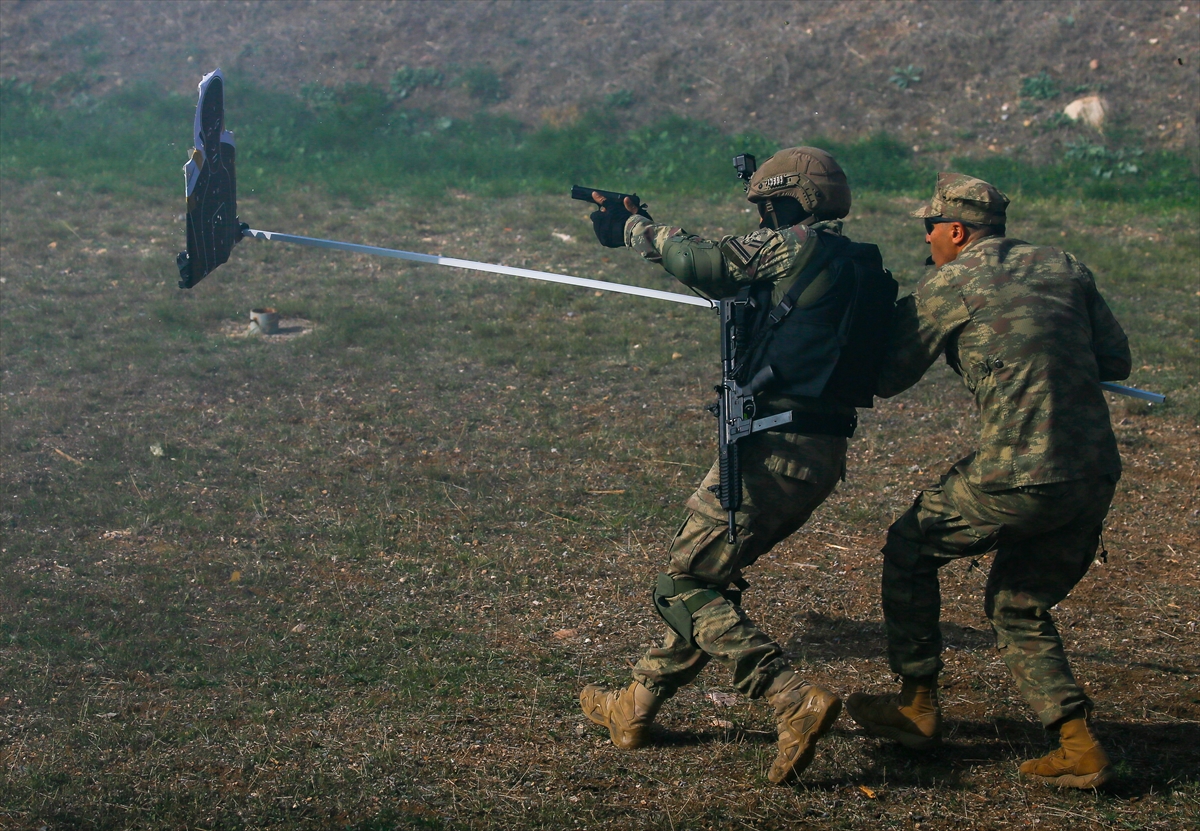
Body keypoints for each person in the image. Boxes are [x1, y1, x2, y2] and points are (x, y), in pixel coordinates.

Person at [578, 147, 896, 785]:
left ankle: (789, 698)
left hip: (768, 449)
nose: (763, 217)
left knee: (683, 586)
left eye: (768, 206)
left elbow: (703, 260)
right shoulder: (858, 264)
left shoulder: (791, 248)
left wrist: (638, 226)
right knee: (708, 580)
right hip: (819, 450)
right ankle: (633, 710)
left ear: (787, 203)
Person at [845, 173, 1132, 790]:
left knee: (911, 546)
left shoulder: (952, 281)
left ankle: (916, 708)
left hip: (1020, 473)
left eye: (931, 231)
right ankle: (1077, 746)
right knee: (1018, 603)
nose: (928, 244)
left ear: (955, 230)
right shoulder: (1063, 265)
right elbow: (1116, 361)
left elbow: (890, 375)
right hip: (1093, 473)